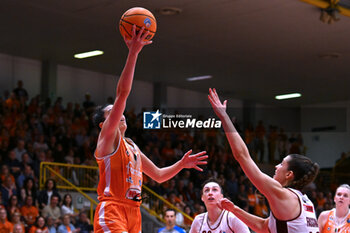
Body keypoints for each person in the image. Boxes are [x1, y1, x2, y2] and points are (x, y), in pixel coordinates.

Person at [92, 25, 208, 233]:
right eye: (112, 113)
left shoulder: (133, 147)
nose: (119, 114)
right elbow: (122, 94)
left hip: (134, 212)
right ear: (103, 124)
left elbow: (159, 175)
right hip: (112, 210)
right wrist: (133, 53)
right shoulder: (107, 139)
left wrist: (181, 164)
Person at [208, 88, 320, 233]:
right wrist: (234, 209)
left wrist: (224, 117)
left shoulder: (283, 194)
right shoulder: (305, 202)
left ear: (289, 174)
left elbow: (242, 156)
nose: (276, 166)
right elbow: (264, 227)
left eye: (281, 164)